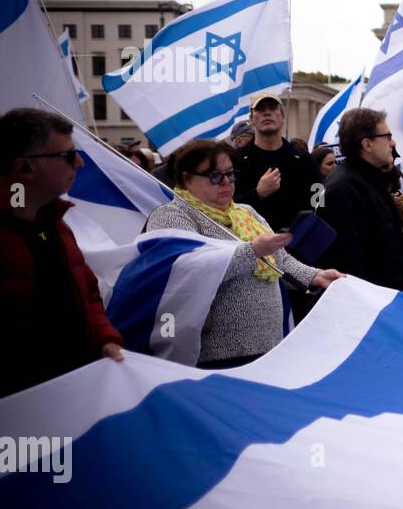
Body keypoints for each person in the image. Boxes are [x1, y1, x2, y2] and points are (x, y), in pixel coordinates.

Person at [0, 109, 125, 406]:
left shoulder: (56, 223)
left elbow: (88, 293)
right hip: (2, 417)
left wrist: (105, 339)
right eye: (67, 156)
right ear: (25, 168)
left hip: (67, 401)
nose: (78, 163)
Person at [146, 139, 344, 368]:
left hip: (269, 345)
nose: (226, 183)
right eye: (215, 176)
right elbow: (186, 272)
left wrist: (315, 276)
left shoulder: (245, 211)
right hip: (215, 353)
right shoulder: (172, 216)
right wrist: (252, 251)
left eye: (230, 174)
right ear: (186, 178)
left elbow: (279, 260)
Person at [318, 109, 403, 293]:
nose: (393, 143)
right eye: (387, 136)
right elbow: (348, 262)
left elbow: (386, 238)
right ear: (367, 144)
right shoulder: (344, 188)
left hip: (391, 297)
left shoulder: (370, 179)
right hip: (375, 304)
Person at [234, 91, 321, 233]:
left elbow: (319, 202)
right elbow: (227, 207)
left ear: (282, 116)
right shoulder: (237, 161)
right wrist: (257, 193)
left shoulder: (304, 159)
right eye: (260, 109)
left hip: (296, 246)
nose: (267, 113)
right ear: (251, 119)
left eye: (273, 108)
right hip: (253, 245)